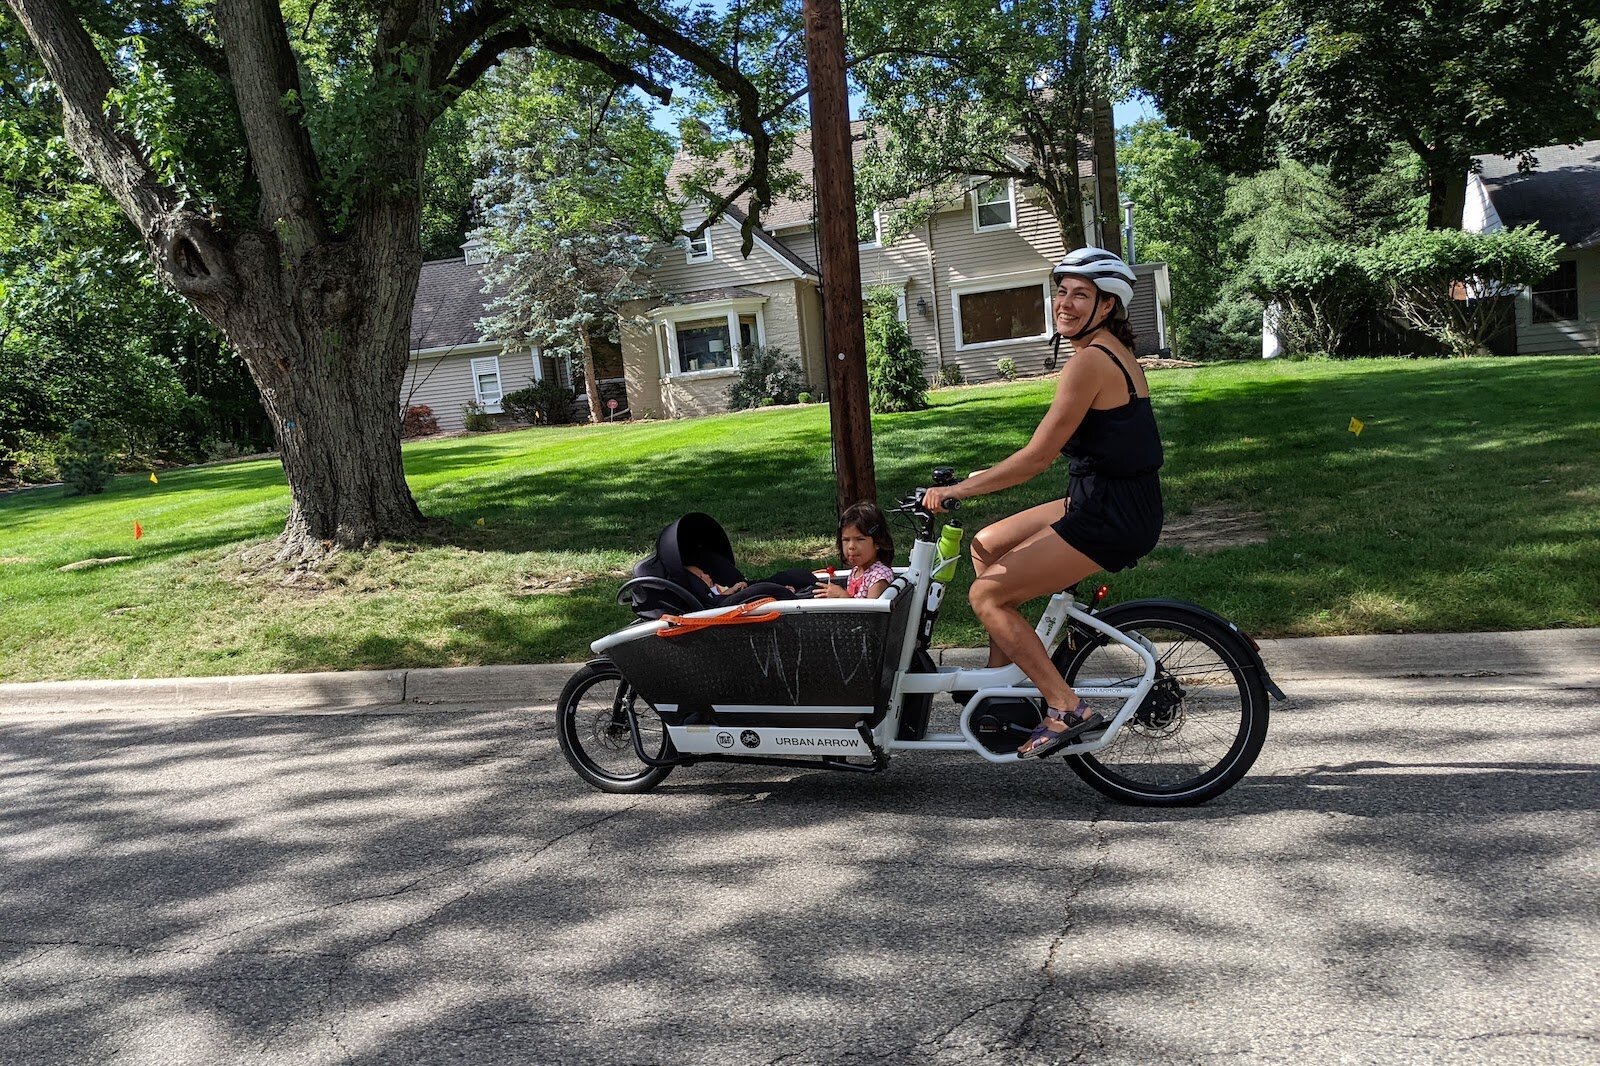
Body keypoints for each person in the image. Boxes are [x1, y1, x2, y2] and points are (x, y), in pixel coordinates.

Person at [921, 247, 1164, 759]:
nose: (1066, 303)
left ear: (1107, 306)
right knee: (987, 544)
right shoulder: (1102, 352)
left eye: (1081, 295)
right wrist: (982, 477)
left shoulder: (1091, 363)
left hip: (1110, 514)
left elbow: (1036, 459)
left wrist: (958, 491)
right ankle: (1001, 687)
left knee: (987, 597)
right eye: (1062, 291)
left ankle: (1065, 705)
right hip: (1102, 496)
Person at [816, 501, 896, 599]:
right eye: (846, 540)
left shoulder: (879, 576)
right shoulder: (857, 571)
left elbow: (872, 612)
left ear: (877, 542)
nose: (851, 546)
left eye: (859, 539)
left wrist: (843, 596)